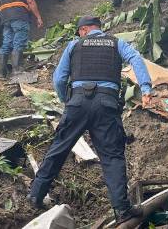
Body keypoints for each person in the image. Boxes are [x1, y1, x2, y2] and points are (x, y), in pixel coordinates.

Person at [29, 16, 155, 223]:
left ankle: (36, 194)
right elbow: (135, 59)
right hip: (106, 105)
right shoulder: (116, 43)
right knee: (112, 156)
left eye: (80, 31)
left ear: (84, 29)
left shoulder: (74, 45)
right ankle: (122, 210)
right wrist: (146, 88)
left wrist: (66, 100)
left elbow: (59, 78)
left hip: (77, 103)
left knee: (59, 148)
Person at [0, 0, 44, 78]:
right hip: (19, 16)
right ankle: (17, 70)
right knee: (19, 41)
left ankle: (2, 73)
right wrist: (38, 17)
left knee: (7, 43)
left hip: (5, 18)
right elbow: (30, 0)